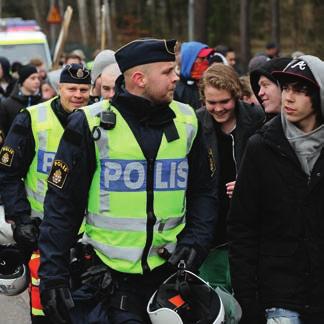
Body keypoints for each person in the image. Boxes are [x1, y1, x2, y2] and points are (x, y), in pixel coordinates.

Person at [38, 38, 217, 324]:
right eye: (168, 71)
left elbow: (204, 192)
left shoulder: (189, 121)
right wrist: (52, 274)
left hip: (170, 275)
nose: (176, 78)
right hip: (109, 279)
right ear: (139, 79)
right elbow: (62, 206)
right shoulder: (89, 123)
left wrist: (197, 240)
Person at [227, 55, 324, 324]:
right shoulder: (261, 147)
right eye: (287, 89)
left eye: (301, 91)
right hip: (278, 295)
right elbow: (242, 226)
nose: (289, 98)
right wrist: (247, 300)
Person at [0, 63, 91, 323]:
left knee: (83, 309)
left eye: (83, 89)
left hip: (88, 234)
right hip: (43, 231)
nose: (77, 95)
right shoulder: (32, 118)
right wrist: (21, 219)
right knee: (46, 308)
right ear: (58, 89)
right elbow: (8, 173)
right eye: (71, 88)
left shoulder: (100, 120)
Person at [196, 63, 265, 293]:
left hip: (250, 231)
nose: (218, 109)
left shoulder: (257, 119)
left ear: (236, 96)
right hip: (212, 233)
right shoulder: (196, 124)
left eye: (224, 102)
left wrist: (249, 186)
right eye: (211, 103)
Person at [0, 65, 42, 146]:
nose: (37, 81)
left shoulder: (43, 103)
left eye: (38, 78)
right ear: (23, 81)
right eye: (32, 78)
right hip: (14, 152)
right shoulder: (7, 105)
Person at [174, 41, 215, 109]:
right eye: (202, 58)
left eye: (207, 58)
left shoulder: (208, 85)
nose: (206, 61)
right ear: (189, 60)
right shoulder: (176, 90)